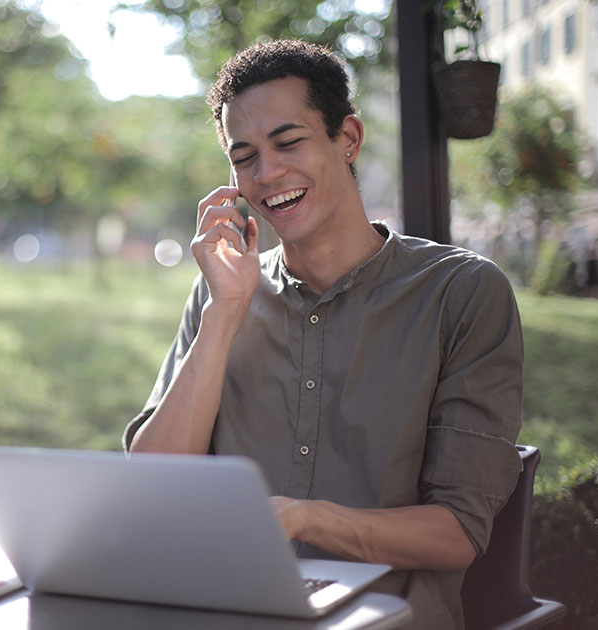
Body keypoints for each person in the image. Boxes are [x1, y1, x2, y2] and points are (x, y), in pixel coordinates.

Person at [123, 40, 524, 630]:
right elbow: (153, 485)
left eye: (288, 143)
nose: (268, 173)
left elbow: (457, 533)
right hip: (225, 607)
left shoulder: (461, 294)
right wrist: (226, 312)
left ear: (348, 139)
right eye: (244, 156)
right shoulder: (223, 292)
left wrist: (301, 519)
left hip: (387, 617)